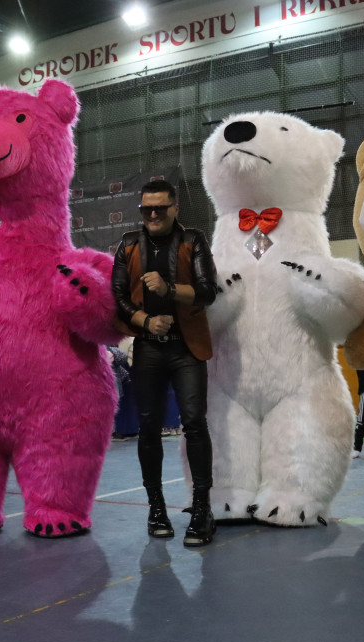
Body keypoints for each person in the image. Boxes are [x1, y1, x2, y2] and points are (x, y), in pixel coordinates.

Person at [111, 179, 219, 546]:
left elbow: (208, 291)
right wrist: (145, 321)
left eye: (160, 208)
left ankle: (202, 510)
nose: (153, 214)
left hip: (187, 347)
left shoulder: (193, 240)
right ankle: (156, 509)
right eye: (147, 209)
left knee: (195, 424)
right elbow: (117, 296)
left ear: (175, 208)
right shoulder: (128, 244)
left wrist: (168, 289)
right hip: (148, 348)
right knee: (148, 428)